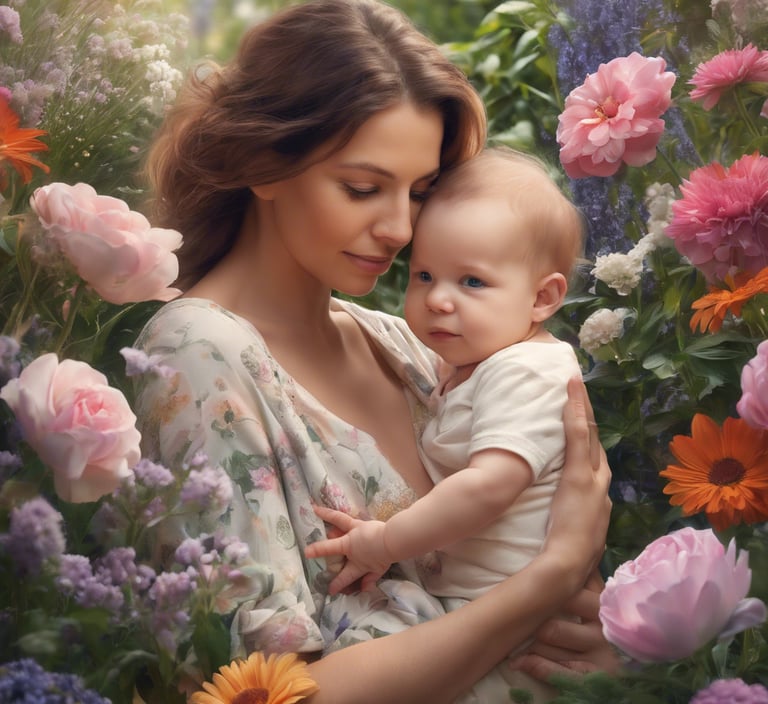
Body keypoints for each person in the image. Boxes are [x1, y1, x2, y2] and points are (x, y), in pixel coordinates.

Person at [133, 1, 615, 702]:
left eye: (421, 192)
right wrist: (550, 580)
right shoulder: (199, 352)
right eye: (363, 188)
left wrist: (600, 643)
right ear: (264, 165)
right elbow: (259, 693)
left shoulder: (405, 345)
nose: (399, 228)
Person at [305, 146, 585, 701]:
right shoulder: (471, 365)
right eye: (425, 274)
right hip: (485, 609)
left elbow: (489, 486)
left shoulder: (525, 371)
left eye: (472, 283)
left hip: (514, 626)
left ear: (543, 297)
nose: (437, 300)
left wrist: (385, 541)